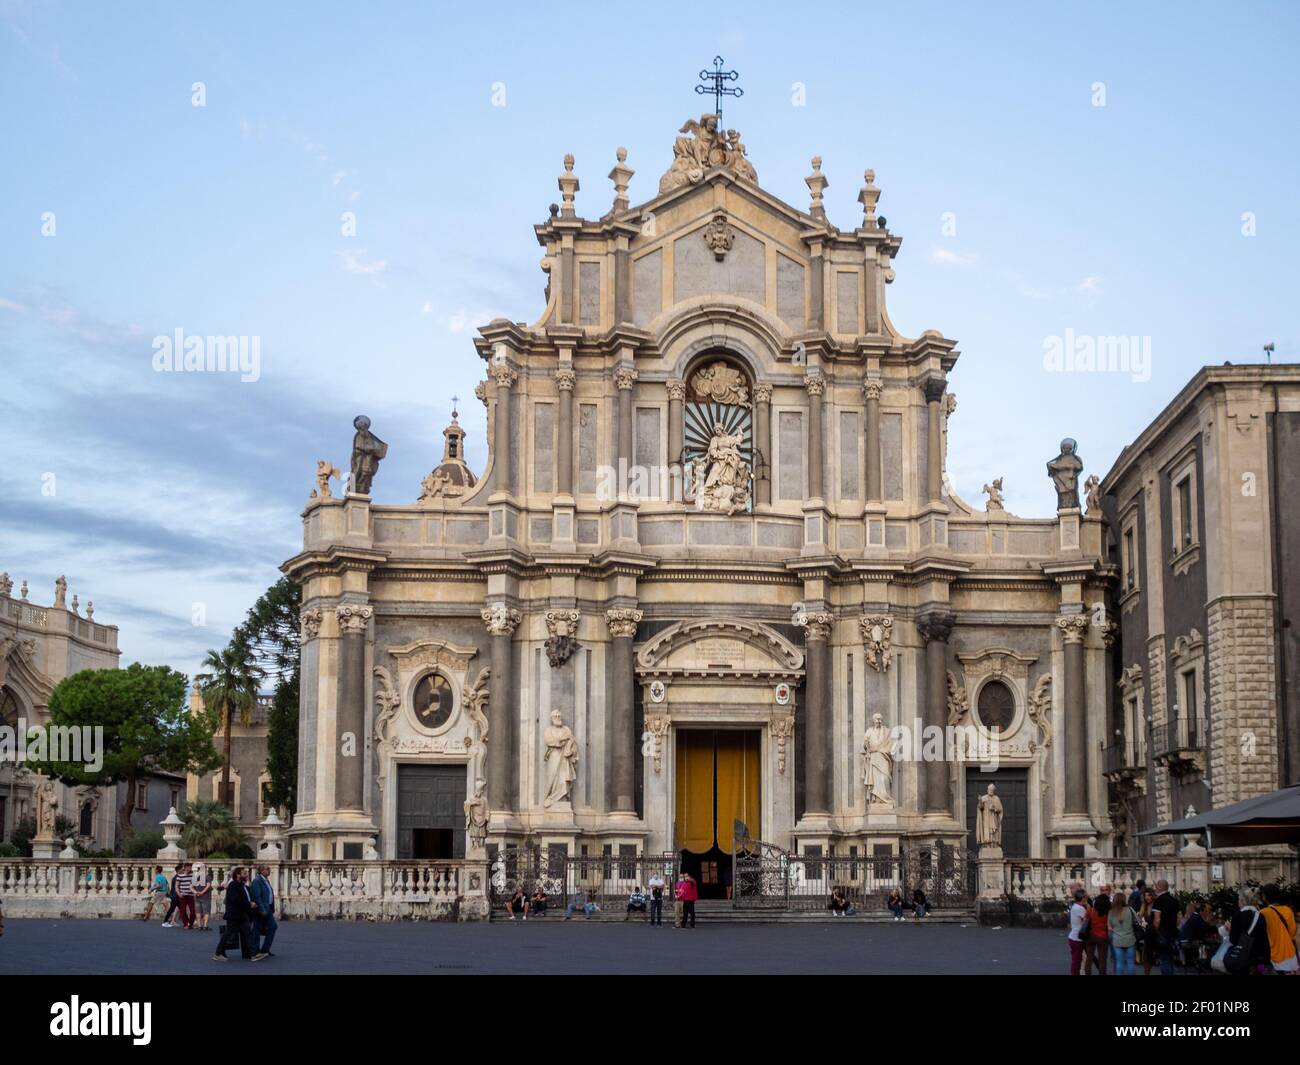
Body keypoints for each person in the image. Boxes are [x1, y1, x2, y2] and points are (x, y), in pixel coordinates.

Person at [213, 866, 255, 961]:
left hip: (242, 914)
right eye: (244, 873)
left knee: (248, 933)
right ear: (238, 875)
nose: (247, 875)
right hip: (234, 914)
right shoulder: (233, 885)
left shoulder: (240, 885)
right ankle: (218, 953)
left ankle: (253, 954)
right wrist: (249, 904)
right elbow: (235, 899)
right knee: (228, 934)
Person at [1227, 890, 1271, 974]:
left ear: (1243, 901)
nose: (1238, 902)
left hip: (1242, 959)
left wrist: (1230, 930)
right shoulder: (1260, 916)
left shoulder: (1237, 916)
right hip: (1258, 960)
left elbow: (1233, 940)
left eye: (1239, 899)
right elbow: (1264, 940)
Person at [1259, 882, 1299, 974]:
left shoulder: (1263, 913)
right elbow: (1292, 932)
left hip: (1274, 958)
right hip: (1290, 956)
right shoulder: (1287, 910)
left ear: (1264, 897)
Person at [1149, 879, 1182, 976]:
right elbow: (1179, 918)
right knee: (1171, 959)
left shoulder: (1159, 901)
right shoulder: (1174, 900)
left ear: (1159, 887)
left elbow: (1157, 919)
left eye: (1156, 887)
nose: (1154, 889)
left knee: (1164, 959)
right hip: (1173, 932)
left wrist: (1155, 930)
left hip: (1162, 933)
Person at [249, 864, 277, 960]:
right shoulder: (257, 881)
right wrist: (262, 909)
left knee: (272, 927)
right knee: (257, 929)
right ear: (261, 871)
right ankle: (255, 950)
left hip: (267, 907)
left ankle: (265, 949)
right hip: (261, 908)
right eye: (267, 869)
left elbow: (269, 894)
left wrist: (271, 908)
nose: (269, 870)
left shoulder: (265, 880)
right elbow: (257, 896)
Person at [1108, 891, 1137, 975]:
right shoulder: (1130, 910)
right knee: (1130, 963)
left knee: (1119, 963)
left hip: (1117, 940)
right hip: (1130, 939)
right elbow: (1137, 921)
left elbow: (1109, 927)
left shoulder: (1111, 912)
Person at [1084, 893, 1110, 975]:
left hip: (1090, 935)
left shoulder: (1091, 910)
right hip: (1102, 936)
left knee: (1089, 958)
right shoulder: (1108, 912)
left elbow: (1085, 920)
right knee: (1102, 960)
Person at [1067, 888, 1089, 975]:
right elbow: (1087, 920)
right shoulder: (1080, 909)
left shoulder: (1074, 907)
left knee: (1076, 959)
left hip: (1073, 936)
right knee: (1077, 960)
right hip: (1077, 938)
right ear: (1083, 898)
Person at [1137, 888, 1156, 975]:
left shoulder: (1156, 905)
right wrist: (1140, 918)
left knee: (1151, 955)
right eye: (1145, 896)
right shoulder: (1144, 905)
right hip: (1147, 933)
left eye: (1148, 895)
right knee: (1146, 955)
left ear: (1152, 896)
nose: (1147, 897)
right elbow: (1140, 918)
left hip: (1155, 932)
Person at [174, 863, 196, 930]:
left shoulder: (193, 876)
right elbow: (176, 886)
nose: (190, 868)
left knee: (193, 910)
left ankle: (191, 923)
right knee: (183, 911)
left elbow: (195, 885)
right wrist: (179, 893)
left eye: (191, 867)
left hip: (191, 895)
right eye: (189, 867)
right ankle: (185, 924)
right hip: (183, 895)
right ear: (185, 867)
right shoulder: (180, 875)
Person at [192, 864, 213, 931]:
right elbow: (208, 886)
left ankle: (199, 925)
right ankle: (205, 926)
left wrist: (195, 892)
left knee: (198, 911)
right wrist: (202, 892)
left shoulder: (195, 877)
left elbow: (191, 887)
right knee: (206, 912)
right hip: (205, 897)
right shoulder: (207, 877)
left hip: (197, 896)